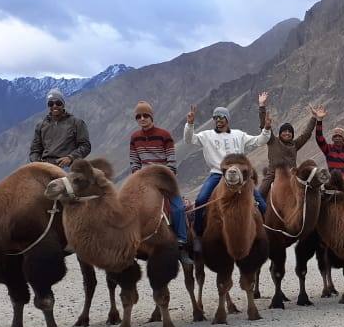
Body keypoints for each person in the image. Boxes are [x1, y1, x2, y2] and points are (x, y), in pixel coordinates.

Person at [184, 103, 271, 247]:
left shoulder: (239, 135)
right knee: (200, 200)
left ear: (227, 119)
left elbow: (258, 141)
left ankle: (267, 233)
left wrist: (267, 129)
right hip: (218, 174)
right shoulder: (206, 135)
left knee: (260, 202)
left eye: (221, 116)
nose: (218, 120)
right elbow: (189, 139)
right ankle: (198, 236)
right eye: (215, 117)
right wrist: (190, 124)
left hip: (240, 177)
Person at [129, 100, 193, 264]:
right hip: (144, 179)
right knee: (126, 205)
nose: (142, 119)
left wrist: (165, 176)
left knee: (178, 207)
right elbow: (134, 162)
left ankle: (182, 244)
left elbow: (171, 161)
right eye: (138, 116)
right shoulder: (134, 138)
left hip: (164, 177)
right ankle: (127, 242)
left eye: (145, 115)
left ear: (151, 116)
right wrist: (138, 176)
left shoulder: (164, 135)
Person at [256, 92, 317, 197]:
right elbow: (264, 126)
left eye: (290, 131)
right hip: (273, 175)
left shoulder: (295, 144)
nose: (287, 133)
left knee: (310, 194)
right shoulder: (272, 141)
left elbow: (306, 134)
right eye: (284, 131)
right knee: (258, 197)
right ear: (280, 133)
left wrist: (314, 118)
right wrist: (262, 106)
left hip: (292, 176)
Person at [29, 89, 91, 167]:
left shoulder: (76, 123)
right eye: (51, 104)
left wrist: (71, 157)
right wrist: (38, 163)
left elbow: (85, 146)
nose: (54, 106)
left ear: (63, 104)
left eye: (58, 103)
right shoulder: (41, 126)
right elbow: (35, 150)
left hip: (67, 166)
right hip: (46, 166)